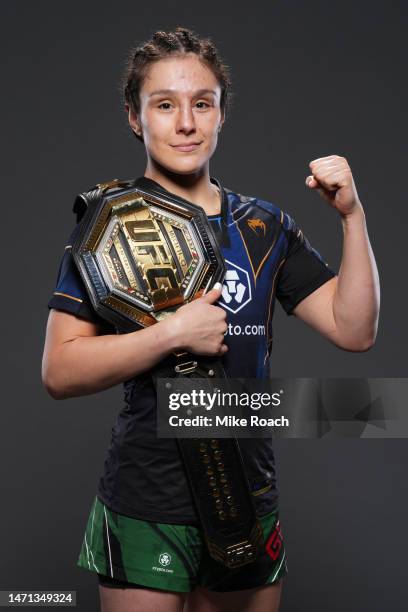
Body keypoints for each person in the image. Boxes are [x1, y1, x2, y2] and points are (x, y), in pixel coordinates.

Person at [42, 27, 380, 612]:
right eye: (165, 105)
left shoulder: (264, 224)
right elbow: (59, 370)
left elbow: (356, 330)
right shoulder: (107, 226)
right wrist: (171, 334)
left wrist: (352, 216)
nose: (186, 122)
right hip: (147, 500)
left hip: (246, 497)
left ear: (222, 114)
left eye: (202, 103)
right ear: (134, 116)